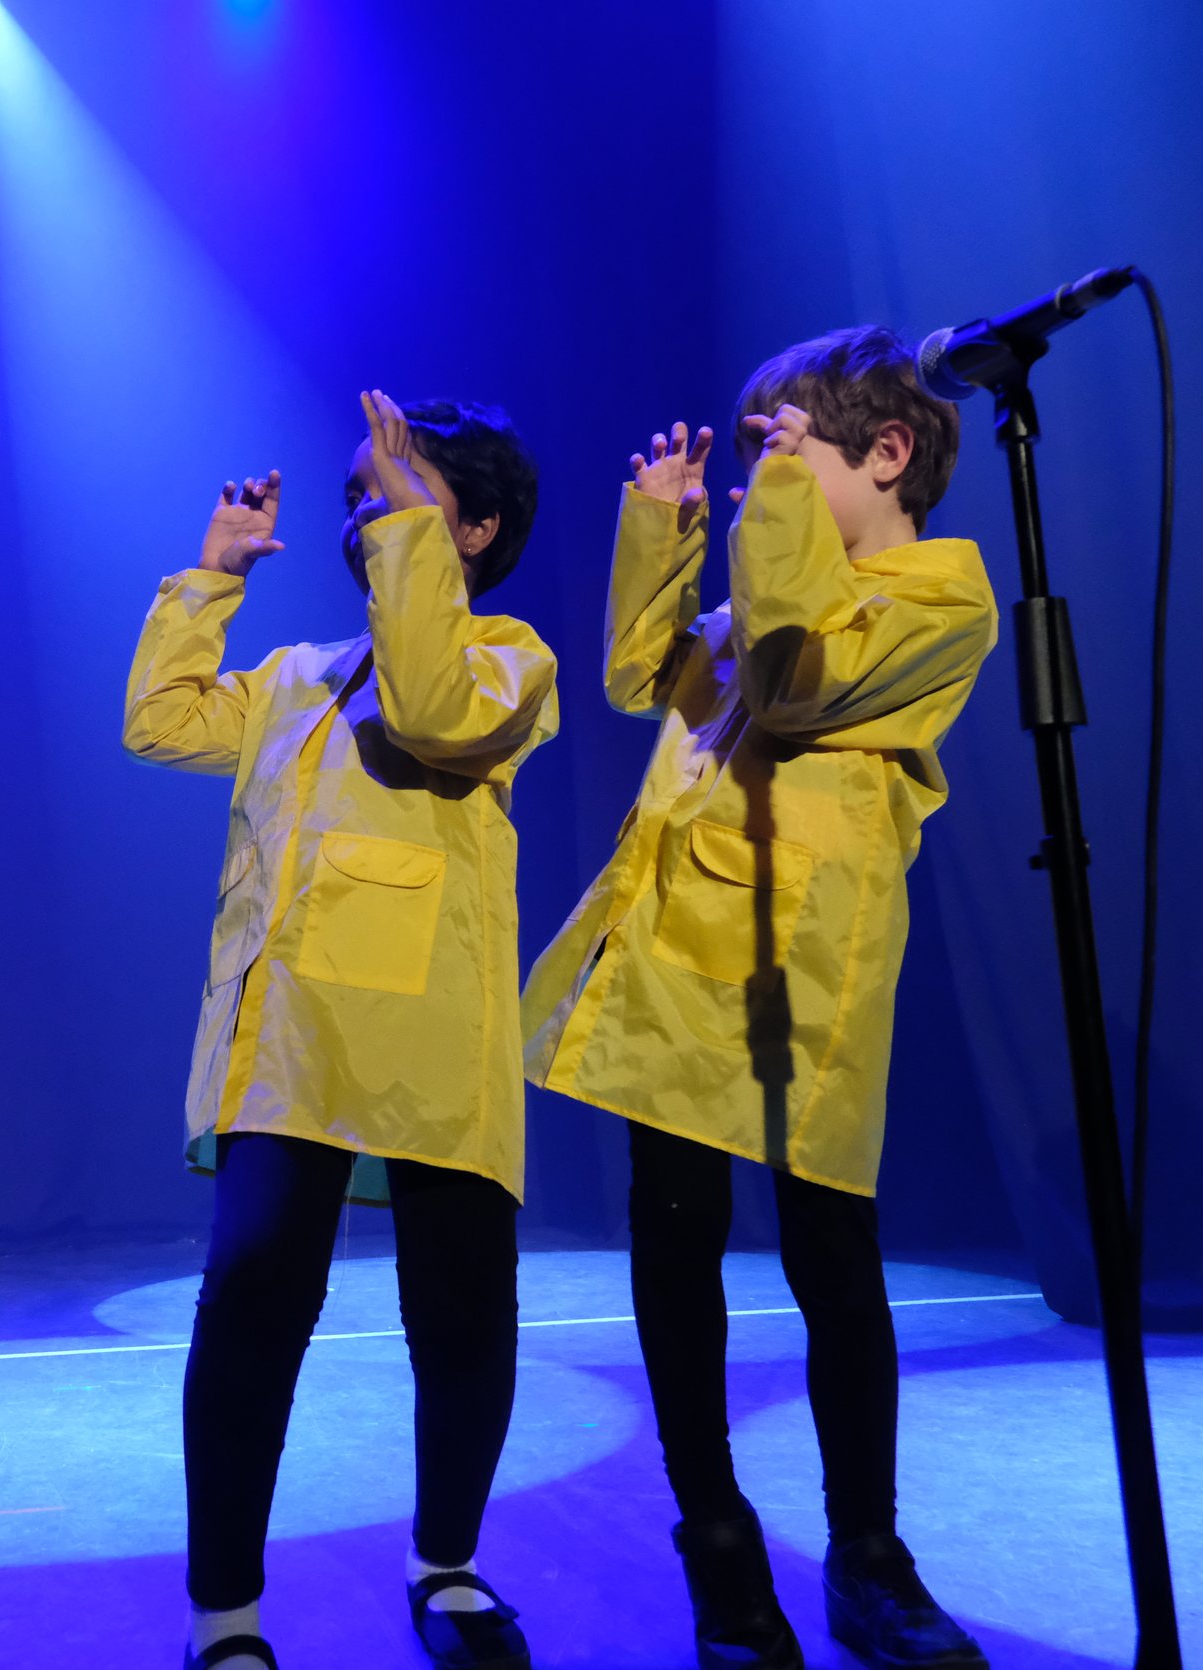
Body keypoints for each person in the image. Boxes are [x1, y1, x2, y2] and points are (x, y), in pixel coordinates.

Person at [523, 327, 998, 1670]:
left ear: (889, 453)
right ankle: (719, 1550)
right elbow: (638, 675)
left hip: (808, 970)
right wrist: (663, 536)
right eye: (750, 464)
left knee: (831, 1258)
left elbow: (799, 686)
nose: (755, 484)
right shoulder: (754, 597)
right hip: (678, 955)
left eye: (780, 451)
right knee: (673, 1242)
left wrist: (770, 522)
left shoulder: (942, 597)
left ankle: (869, 1555)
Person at [124, 391, 557, 1670]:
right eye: (362, 491)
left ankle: (449, 1567)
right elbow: (161, 720)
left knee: (463, 1305)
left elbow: (427, 707)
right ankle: (226, 1616)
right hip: (294, 1045)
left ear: (469, 529)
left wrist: (406, 532)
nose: (366, 506)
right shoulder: (298, 676)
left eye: (400, 487)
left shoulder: (505, 661)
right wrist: (210, 578)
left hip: (431, 1037)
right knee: (253, 1289)